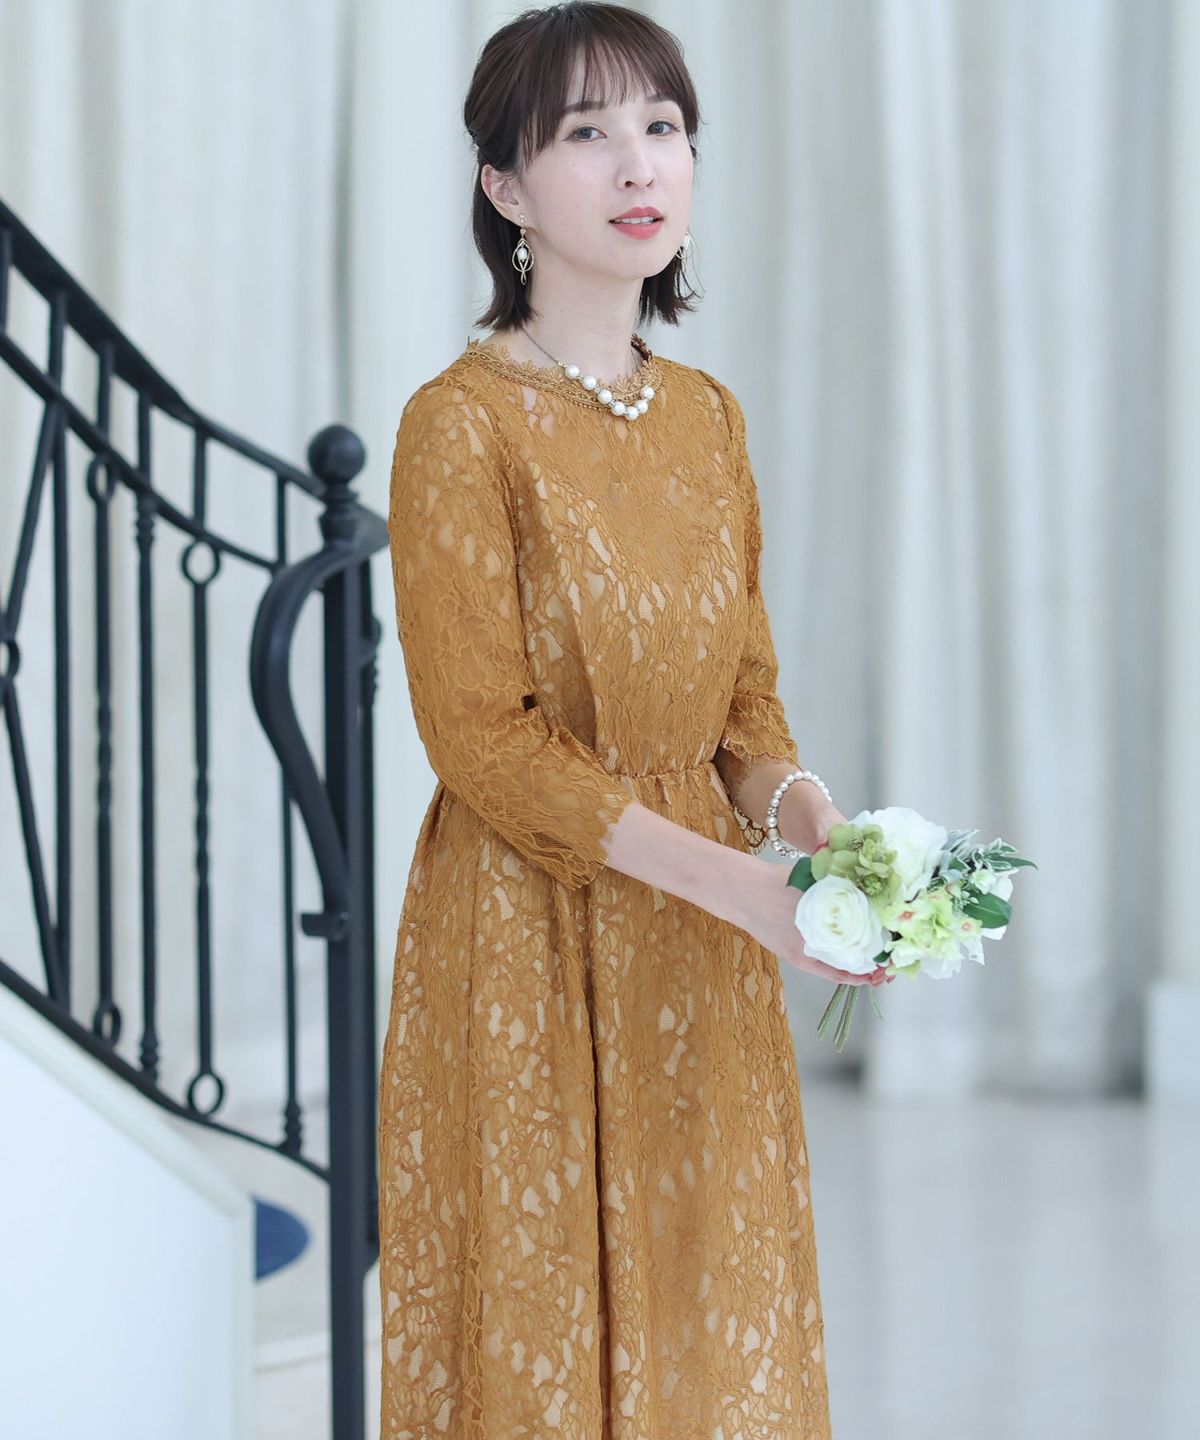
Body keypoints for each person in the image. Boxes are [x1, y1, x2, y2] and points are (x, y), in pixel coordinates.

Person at [378, 4, 888, 1435]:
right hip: (526, 931)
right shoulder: (459, 425)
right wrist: (743, 887)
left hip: (703, 939)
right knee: (543, 1321)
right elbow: (482, 739)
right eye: (586, 133)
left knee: (706, 1296)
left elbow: (745, 710)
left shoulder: (708, 419)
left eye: (663, 127)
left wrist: (821, 838)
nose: (637, 163)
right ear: (505, 187)